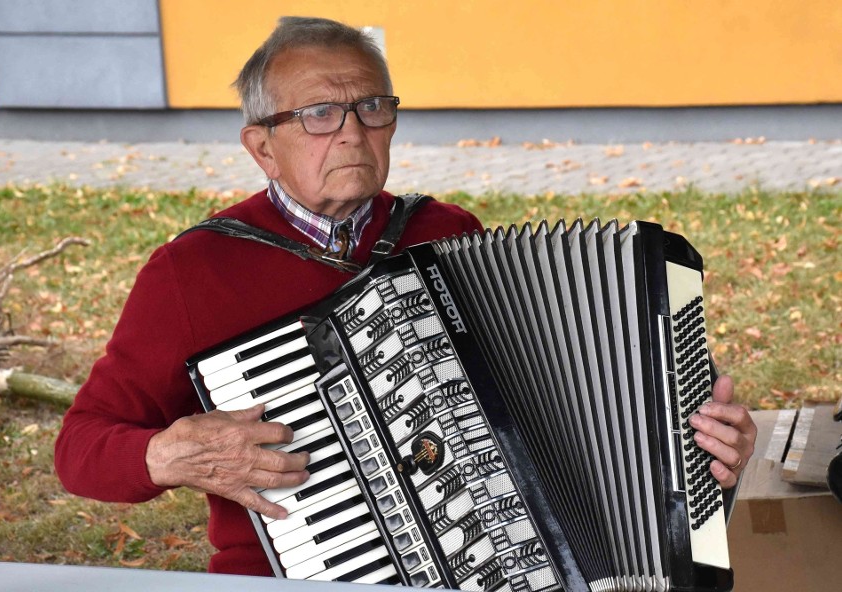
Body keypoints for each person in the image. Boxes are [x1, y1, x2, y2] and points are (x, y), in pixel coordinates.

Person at [55, 16, 757, 577]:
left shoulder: (448, 234)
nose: (355, 132)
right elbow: (80, 448)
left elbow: (547, 413)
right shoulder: (193, 271)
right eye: (321, 113)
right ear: (262, 147)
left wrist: (694, 451)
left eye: (373, 107)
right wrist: (166, 457)